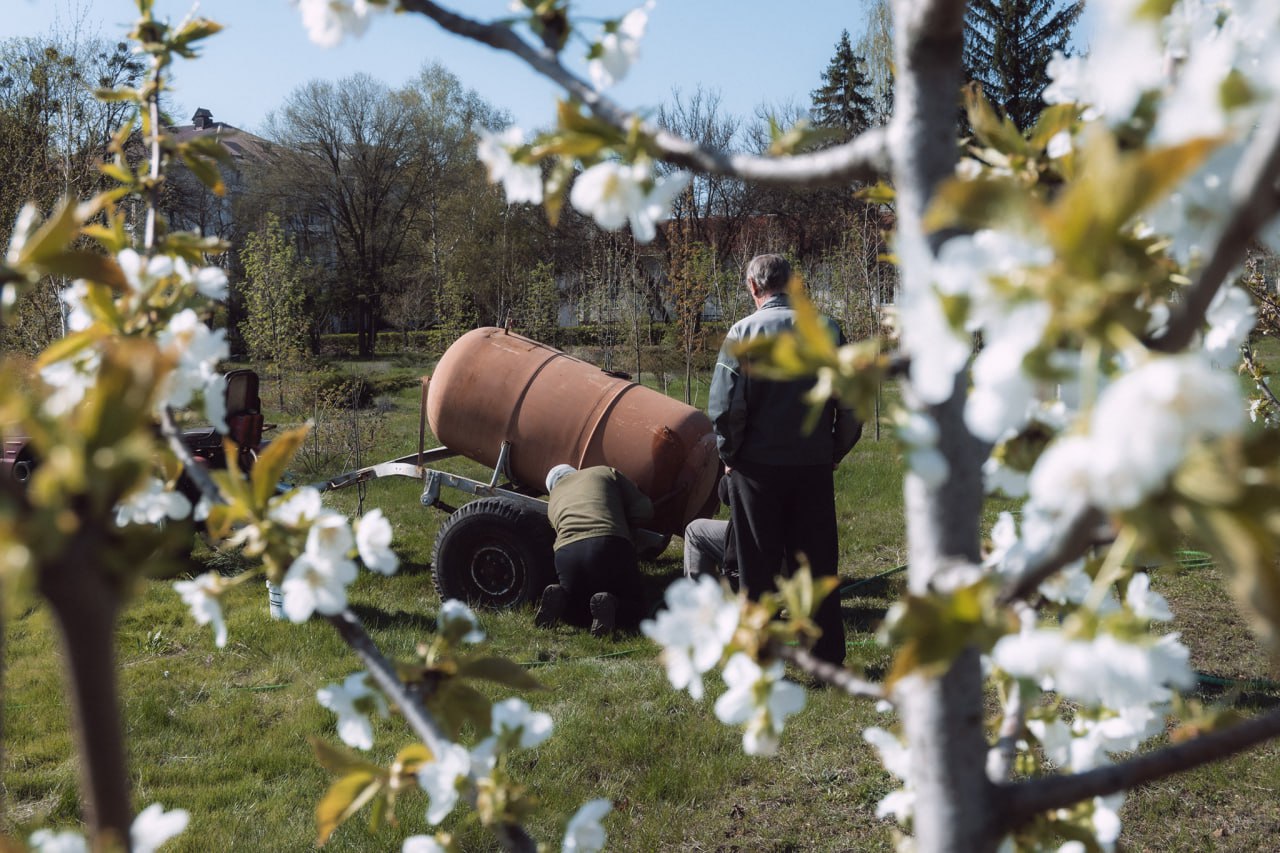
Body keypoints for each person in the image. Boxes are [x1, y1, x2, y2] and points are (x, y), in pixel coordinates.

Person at [707, 253, 862, 666]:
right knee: (817, 567)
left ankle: (760, 662)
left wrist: (730, 455)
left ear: (753, 286)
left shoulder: (742, 333)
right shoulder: (828, 330)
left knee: (756, 571)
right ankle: (825, 660)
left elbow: (725, 408)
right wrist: (835, 450)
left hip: (756, 470)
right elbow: (850, 402)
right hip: (812, 466)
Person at [539, 463, 653, 636]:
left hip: (566, 553)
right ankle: (613, 604)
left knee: (578, 608)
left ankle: (563, 598)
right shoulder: (604, 472)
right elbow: (644, 509)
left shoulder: (553, 500)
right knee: (636, 606)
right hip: (609, 543)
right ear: (574, 471)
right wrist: (623, 519)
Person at [682, 473, 738, 589]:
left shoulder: (750, 464)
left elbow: (725, 493)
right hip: (776, 541)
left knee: (694, 532)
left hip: (760, 545)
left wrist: (730, 471)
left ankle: (701, 598)